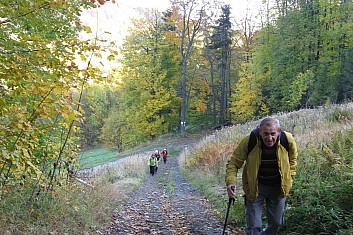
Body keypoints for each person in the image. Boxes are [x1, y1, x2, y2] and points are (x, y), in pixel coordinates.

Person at [225, 117, 298, 235]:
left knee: (276, 223)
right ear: (260, 131)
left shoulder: (287, 140)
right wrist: (231, 182)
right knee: (254, 226)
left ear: (279, 131)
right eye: (266, 134)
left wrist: (290, 178)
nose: (269, 138)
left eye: (273, 134)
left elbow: (293, 159)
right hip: (255, 187)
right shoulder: (250, 141)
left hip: (278, 187)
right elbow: (233, 163)